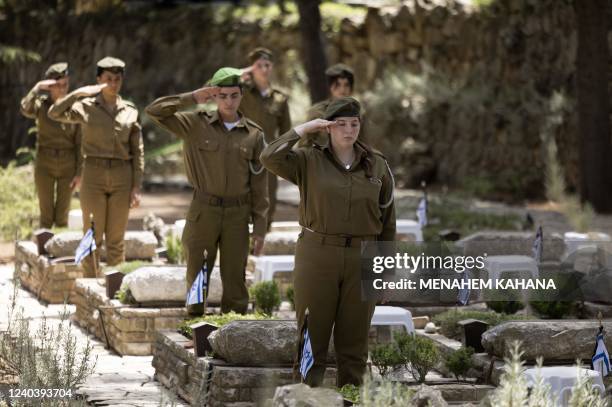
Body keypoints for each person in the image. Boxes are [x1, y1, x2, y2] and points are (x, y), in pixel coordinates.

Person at [260, 97, 396, 387]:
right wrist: (303, 130)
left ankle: (352, 401)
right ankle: (306, 400)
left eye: (354, 124)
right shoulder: (308, 160)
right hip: (317, 256)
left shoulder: (378, 165)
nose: (348, 130)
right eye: (341, 124)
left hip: (363, 260)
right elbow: (268, 157)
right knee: (312, 338)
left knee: (355, 346)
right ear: (328, 128)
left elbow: (388, 224)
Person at [145, 67, 268, 315]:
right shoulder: (195, 123)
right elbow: (155, 111)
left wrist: (261, 228)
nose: (229, 101)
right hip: (204, 211)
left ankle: (233, 333)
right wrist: (192, 97)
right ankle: (194, 326)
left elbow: (259, 184)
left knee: (235, 277)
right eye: (222, 95)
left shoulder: (254, 134)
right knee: (198, 272)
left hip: (238, 215)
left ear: (241, 95)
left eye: (234, 95)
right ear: (213, 96)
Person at [48, 56, 144, 277]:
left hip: (122, 175)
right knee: (92, 234)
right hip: (93, 174)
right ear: (98, 79)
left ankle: (114, 287)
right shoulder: (85, 106)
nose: (113, 83)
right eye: (108, 78)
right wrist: (78, 93)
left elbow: (138, 151)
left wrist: (136, 186)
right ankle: (90, 285)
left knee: (116, 238)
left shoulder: (130, 110)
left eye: (117, 79)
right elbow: (55, 113)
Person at [20, 62, 82, 229]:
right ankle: (44, 252)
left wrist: (79, 173)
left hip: (67, 164)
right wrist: (37, 87)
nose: (62, 89)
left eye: (65, 85)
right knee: (46, 215)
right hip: (45, 163)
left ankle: (59, 252)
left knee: (62, 216)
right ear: (49, 86)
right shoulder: (40, 105)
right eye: (57, 85)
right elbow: (25, 108)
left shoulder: (74, 108)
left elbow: (79, 144)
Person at [240, 47, 291, 230]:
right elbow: (212, 88)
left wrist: (282, 157)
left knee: (268, 198)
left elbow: (287, 133)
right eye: (258, 65)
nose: (263, 69)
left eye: (267, 65)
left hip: (269, 156)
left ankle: (262, 238)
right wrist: (241, 74)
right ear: (252, 68)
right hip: (243, 154)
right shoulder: (240, 92)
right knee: (241, 196)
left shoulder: (279, 99)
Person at [300, 63, 369, 147]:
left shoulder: (359, 111)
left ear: (351, 88)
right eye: (337, 85)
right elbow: (305, 144)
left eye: (346, 85)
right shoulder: (317, 112)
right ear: (330, 87)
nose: (342, 89)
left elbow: (364, 142)